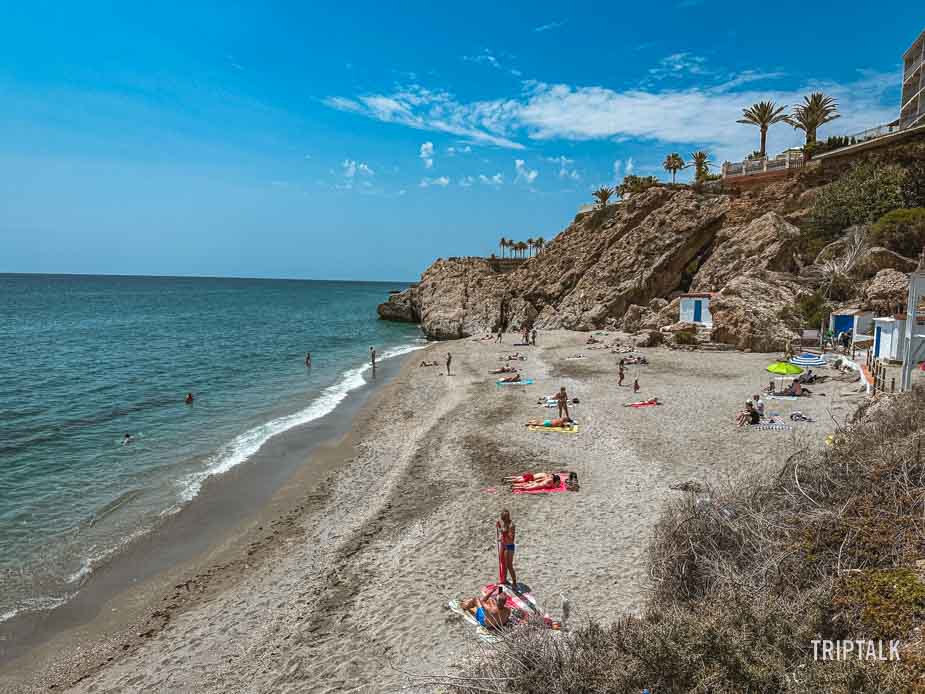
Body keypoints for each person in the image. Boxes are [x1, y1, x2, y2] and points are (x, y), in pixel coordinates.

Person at [497, 510, 517, 586]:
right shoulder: (504, 523)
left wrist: (502, 531)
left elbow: (511, 539)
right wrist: (501, 536)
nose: (503, 520)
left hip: (509, 547)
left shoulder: (511, 525)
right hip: (503, 545)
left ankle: (514, 581)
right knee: (502, 563)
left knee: (509, 565)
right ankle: (504, 580)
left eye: (504, 518)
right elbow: (503, 534)